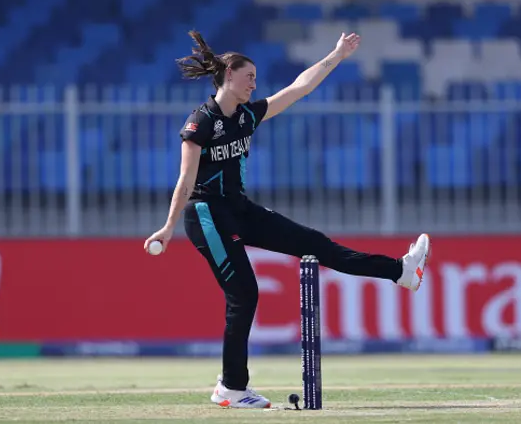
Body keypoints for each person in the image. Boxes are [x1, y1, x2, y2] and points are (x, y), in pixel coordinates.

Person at [143, 30, 431, 409]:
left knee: (315, 245)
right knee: (244, 294)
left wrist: (337, 55)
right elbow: (186, 179)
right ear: (229, 74)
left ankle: (401, 272)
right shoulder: (201, 121)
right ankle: (230, 388)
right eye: (249, 77)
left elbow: (298, 89)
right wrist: (168, 226)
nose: (254, 85)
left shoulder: (247, 115)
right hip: (206, 213)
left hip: (240, 209)